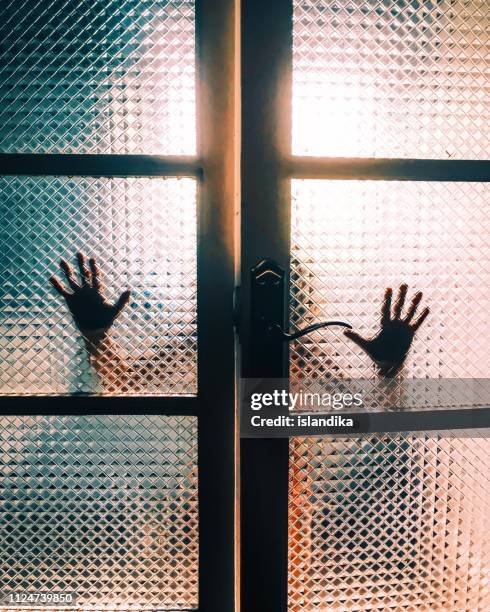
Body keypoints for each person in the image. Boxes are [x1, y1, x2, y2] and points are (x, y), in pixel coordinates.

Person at [50, 252, 430, 388]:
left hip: (283, 496)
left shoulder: (299, 353)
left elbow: (363, 416)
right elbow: (124, 385)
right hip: (216, 488)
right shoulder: (202, 345)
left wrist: (388, 367)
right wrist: (96, 334)